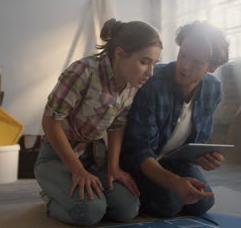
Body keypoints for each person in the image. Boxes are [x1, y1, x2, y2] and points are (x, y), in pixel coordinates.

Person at [34, 18, 162, 226]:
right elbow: (50, 122)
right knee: (89, 212)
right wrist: (77, 171)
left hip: (93, 158)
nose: (151, 72)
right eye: (144, 62)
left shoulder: (132, 83)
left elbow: (117, 125)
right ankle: (52, 198)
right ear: (120, 53)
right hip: (57, 157)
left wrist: (113, 168)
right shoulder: (82, 72)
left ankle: (77, 194)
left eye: (154, 64)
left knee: (127, 208)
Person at [121, 21, 229, 218]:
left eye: (196, 62)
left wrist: (205, 158)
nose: (185, 66)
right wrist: (174, 183)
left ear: (211, 67)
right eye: (183, 54)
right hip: (143, 163)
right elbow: (138, 151)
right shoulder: (153, 83)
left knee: (203, 201)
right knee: (169, 205)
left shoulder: (213, 89)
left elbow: (196, 141)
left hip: (174, 161)